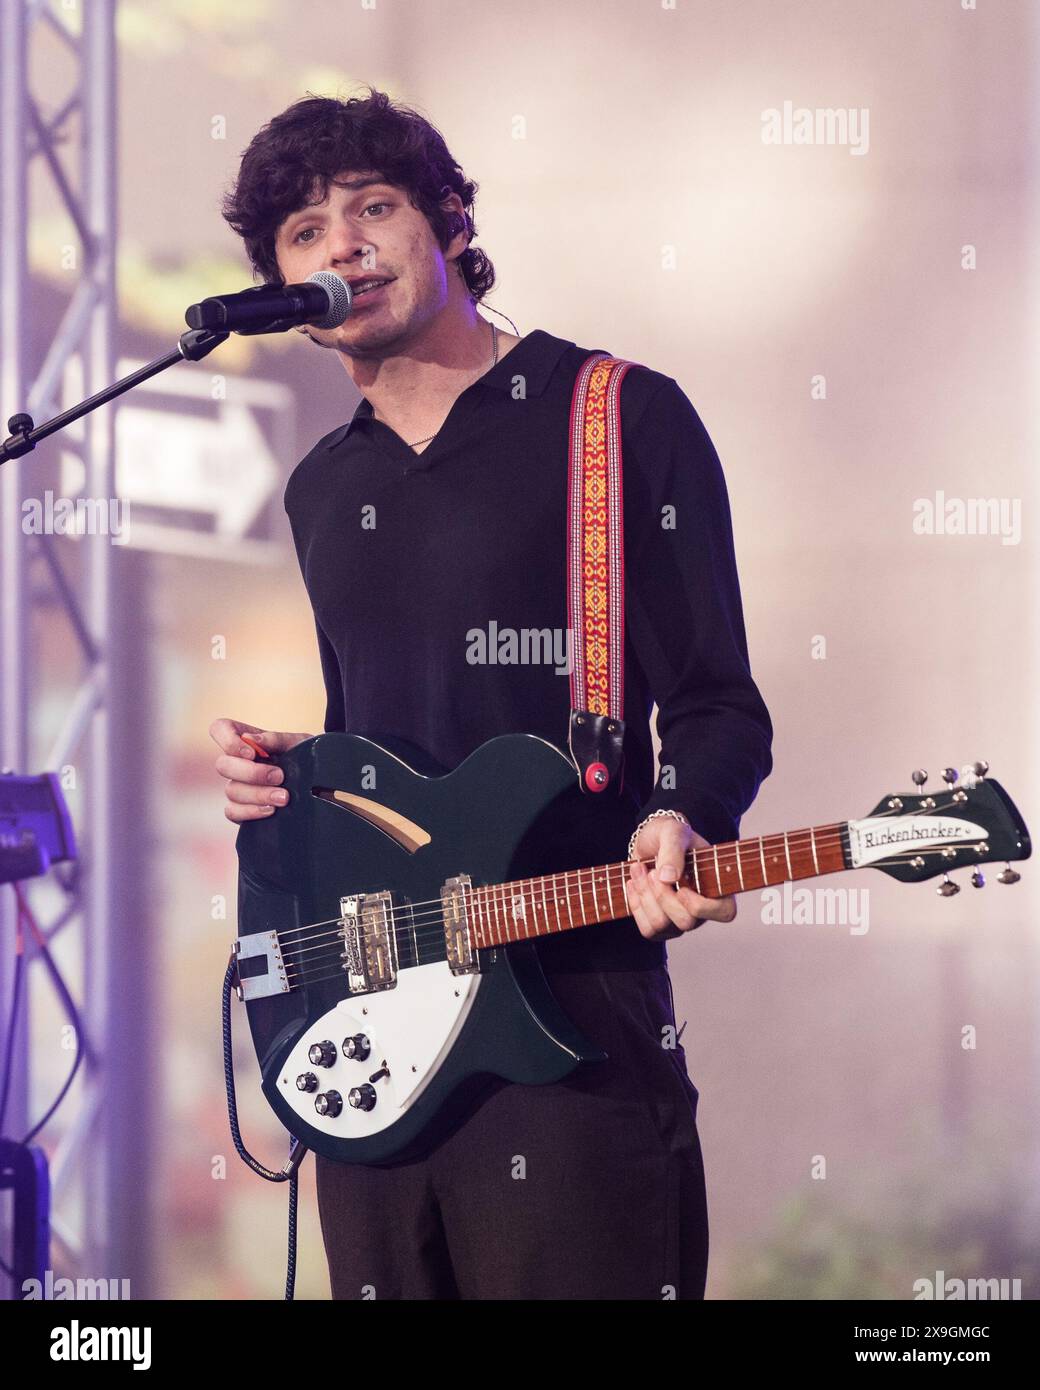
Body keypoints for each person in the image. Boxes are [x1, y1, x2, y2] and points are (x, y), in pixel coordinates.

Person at [210, 88, 773, 1300]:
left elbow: (720, 700)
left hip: (566, 1005)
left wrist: (684, 815)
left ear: (451, 224)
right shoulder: (321, 487)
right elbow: (379, 754)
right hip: (379, 1018)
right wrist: (283, 778)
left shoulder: (613, 415)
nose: (339, 247)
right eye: (303, 235)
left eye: (372, 209)